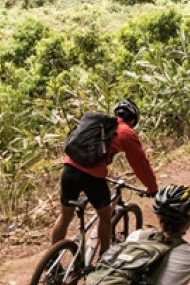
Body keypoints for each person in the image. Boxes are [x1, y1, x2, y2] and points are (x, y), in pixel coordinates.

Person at [51, 98, 158, 254]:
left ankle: (52, 262)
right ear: (133, 119)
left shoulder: (99, 126)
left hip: (69, 169)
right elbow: (140, 164)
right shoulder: (126, 132)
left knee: (65, 216)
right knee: (105, 215)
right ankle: (104, 256)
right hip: (92, 177)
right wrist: (152, 187)